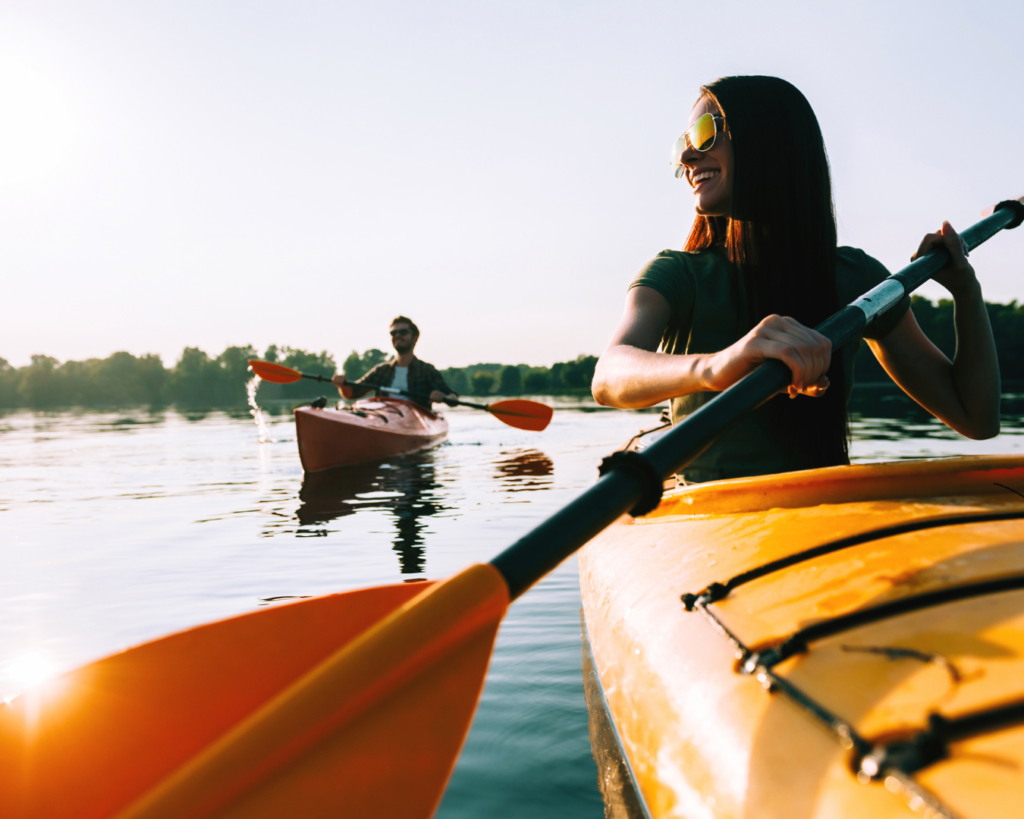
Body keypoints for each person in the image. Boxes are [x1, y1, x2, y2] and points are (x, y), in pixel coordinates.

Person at [592, 75, 1000, 484]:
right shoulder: (675, 274)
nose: (688, 157)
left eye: (704, 134)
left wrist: (966, 289)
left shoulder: (857, 280)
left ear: (769, 140)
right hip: (702, 518)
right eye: (684, 144)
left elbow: (976, 418)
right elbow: (608, 377)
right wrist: (717, 366)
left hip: (821, 511)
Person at [331, 316, 458, 410]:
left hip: (415, 420)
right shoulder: (381, 371)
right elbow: (352, 393)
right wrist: (342, 385)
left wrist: (442, 396)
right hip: (384, 417)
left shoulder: (426, 370)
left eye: (403, 332)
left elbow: (453, 398)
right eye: (393, 333)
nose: (397, 335)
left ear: (414, 337)